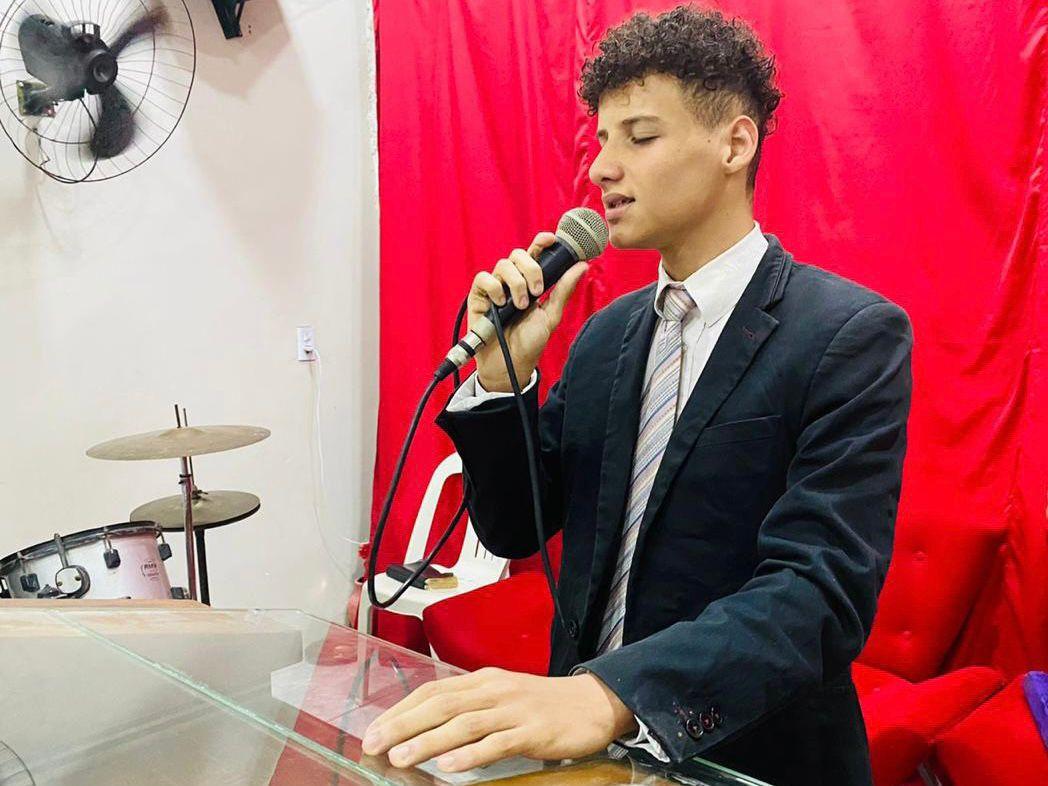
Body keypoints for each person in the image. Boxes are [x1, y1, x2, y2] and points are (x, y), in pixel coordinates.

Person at [362, 6, 912, 785]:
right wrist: (503, 379)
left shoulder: (848, 334)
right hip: (591, 758)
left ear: (735, 144)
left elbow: (818, 593)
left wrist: (613, 694)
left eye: (640, 137)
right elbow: (514, 526)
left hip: (746, 757)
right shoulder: (606, 336)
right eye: (601, 141)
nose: (601, 169)